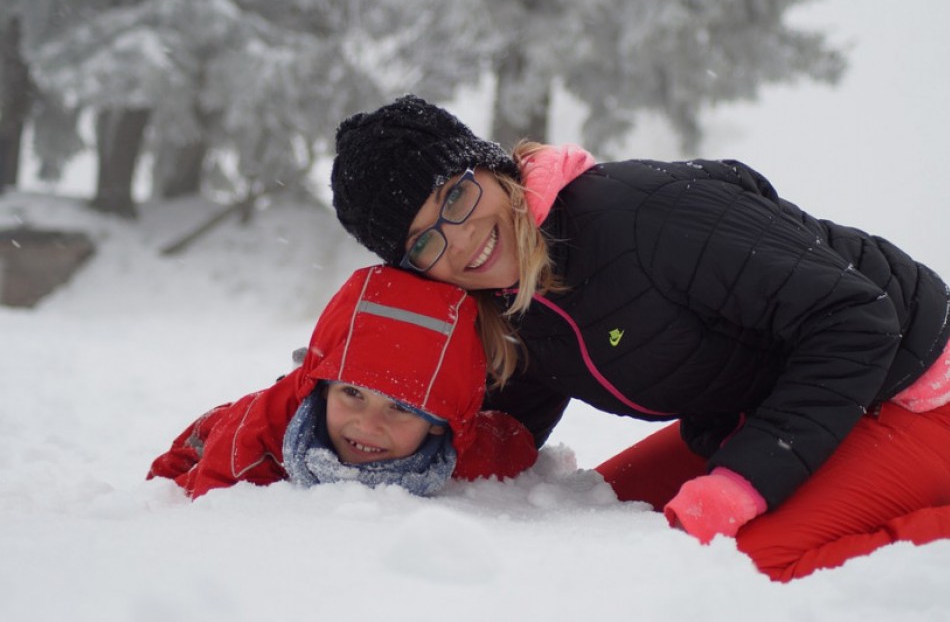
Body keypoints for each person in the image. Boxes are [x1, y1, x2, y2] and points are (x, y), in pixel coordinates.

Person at [327, 94, 950, 580]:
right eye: (425, 241)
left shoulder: (640, 215)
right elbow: (506, 428)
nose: (460, 239)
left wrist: (741, 483)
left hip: (915, 389)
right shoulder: (508, 304)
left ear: (491, 170)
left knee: (747, 572)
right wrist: (361, 438)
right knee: (599, 515)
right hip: (779, 409)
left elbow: (856, 317)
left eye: (456, 196)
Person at [148, 264, 537, 499]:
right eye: (353, 394)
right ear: (324, 388)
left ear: (439, 423)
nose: (367, 425)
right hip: (209, 440)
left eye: (400, 408)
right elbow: (202, 511)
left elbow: (513, 445)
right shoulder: (254, 438)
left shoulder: (458, 449)